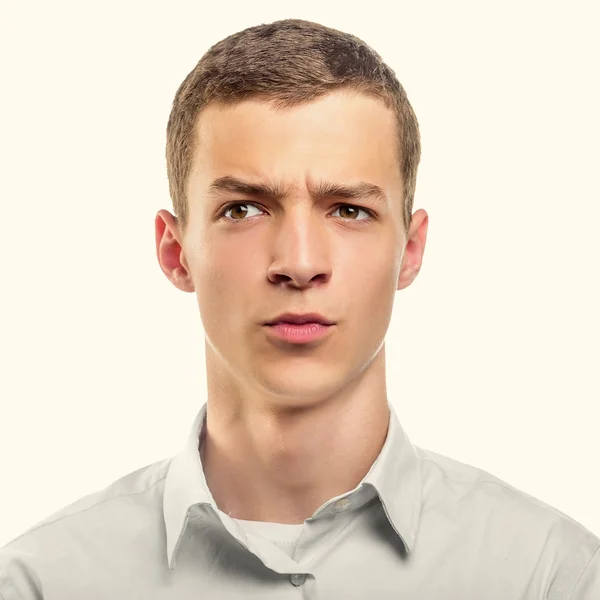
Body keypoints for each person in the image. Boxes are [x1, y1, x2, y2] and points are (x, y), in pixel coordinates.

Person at [1, 17, 598, 599]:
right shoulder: (41, 584)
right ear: (175, 250)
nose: (300, 262)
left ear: (410, 250)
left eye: (348, 210)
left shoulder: (550, 577)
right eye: (244, 209)